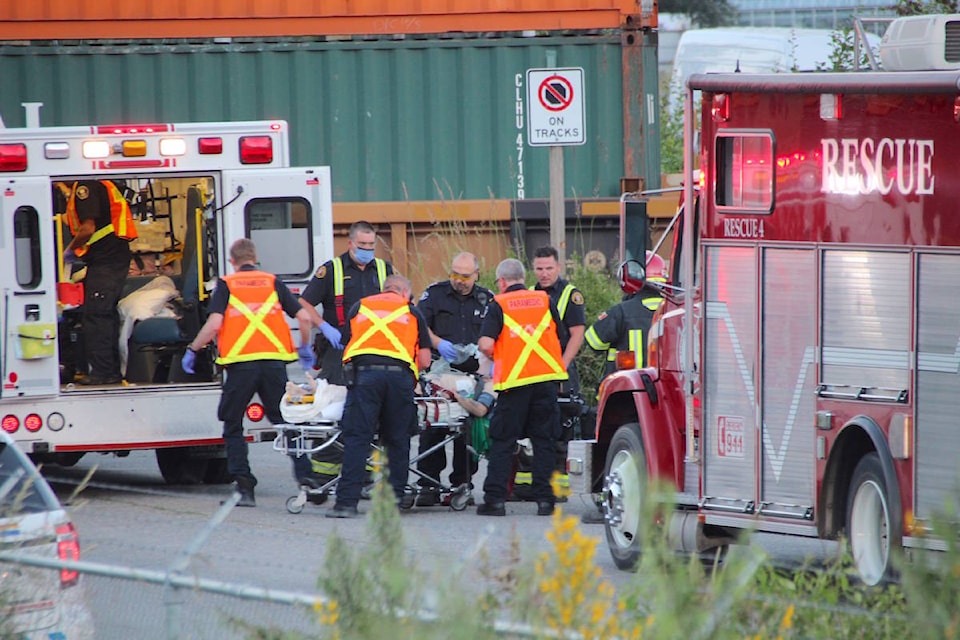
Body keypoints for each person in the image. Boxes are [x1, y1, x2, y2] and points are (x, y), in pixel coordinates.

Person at [181, 238, 315, 507]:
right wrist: (305, 348)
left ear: (233, 261)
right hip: (274, 364)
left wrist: (193, 349)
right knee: (286, 422)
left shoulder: (227, 284)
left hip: (241, 366)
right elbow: (304, 317)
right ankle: (308, 480)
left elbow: (215, 323)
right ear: (255, 258)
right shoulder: (272, 281)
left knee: (232, 424)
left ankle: (244, 488)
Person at [326, 275, 432, 518]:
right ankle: (394, 503)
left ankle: (346, 504)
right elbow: (425, 360)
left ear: (384, 290)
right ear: (405, 293)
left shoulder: (360, 306)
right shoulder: (412, 312)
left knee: (357, 438)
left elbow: (346, 343)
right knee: (398, 440)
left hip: (364, 378)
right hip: (399, 379)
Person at [299, 221, 394, 484]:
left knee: (370, 410)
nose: (366, 250)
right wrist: (324, 326)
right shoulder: (332, 270)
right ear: (350, 243)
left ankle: (364, 470)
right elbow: (304, 302)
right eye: (362, 245)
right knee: (332, 408)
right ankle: (324, 472)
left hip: (375, 350)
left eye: (371, 245)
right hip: (338, 349)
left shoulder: (385, 270)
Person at [476, 258, 567, 517]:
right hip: (546, 381)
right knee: (544, 441)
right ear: (524, 278)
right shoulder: (544, 300)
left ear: (502, 282)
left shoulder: (499, 304)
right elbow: (559, 337)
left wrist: (502, 356)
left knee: (503, 440)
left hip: (515, 384)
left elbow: (484, 344)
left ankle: (495, 501)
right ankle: (545, 500)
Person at [580, 252, 666, 524]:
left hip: (625, 397)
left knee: (617, 447)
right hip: (666, 395)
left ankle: (611, 500)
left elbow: (592, 341)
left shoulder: (621, 312)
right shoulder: (673, 308)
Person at [414, 251, 493, 506]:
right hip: (439, 370)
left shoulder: (487, 300)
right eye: (455, 274)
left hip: (472, 374)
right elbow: (418, 323)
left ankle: (462, 483)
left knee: (466, 430)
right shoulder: (435, 294)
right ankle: (428, 483)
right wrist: (438, 343)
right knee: (433, 425)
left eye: (465, 276)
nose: (459, 280)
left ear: (476, 274)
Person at [61, 179, 138, 385]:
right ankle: (109, 371)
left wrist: (69, 251)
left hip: (107, 259)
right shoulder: (99, 185)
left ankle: (103, 373)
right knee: (103, 313)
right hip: (107, 258)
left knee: (97, 315)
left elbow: (87, 228)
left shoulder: (85, 187)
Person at [530, 246, 586, 493]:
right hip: (532, 370)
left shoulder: (569, 295)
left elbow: (577, 334)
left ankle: (558, 486)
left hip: (559, 369)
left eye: (549, 268)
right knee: (533, 425)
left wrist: (561, 365)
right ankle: (529, 485)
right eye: (539, 269)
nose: (544, 274)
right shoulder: (529, 293)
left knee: (561, 426)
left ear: (559, 267)